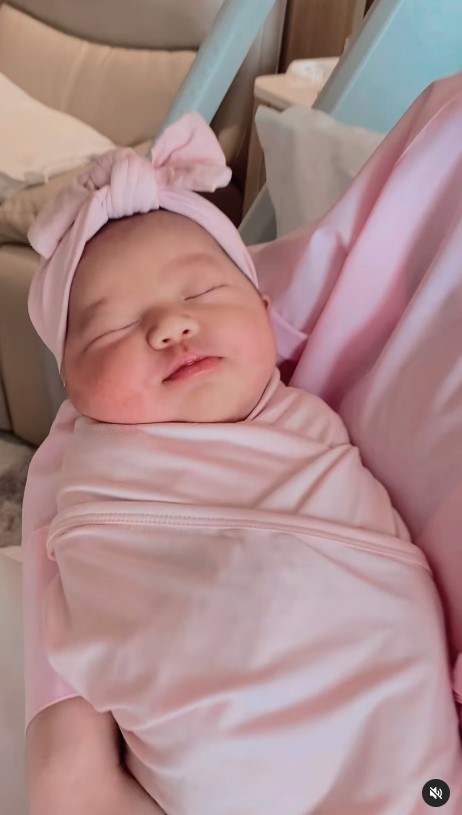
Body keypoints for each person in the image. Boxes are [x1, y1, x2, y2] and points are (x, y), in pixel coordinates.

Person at [25, 114, 462, 815]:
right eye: (112, 326)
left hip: (388, 734)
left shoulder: (306, 420)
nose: (171, 325)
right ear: (72, 390)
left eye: (201, 294)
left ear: (266, 314)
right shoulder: (92, 474)